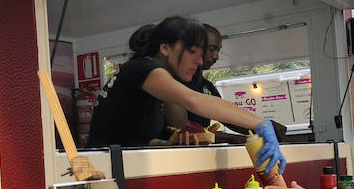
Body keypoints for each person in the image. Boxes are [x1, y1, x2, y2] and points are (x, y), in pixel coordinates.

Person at [87, 16, 286, 173]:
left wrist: (169, 143)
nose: (199, 61)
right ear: (165, 48)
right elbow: (195, 100)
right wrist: (260, 124)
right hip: (103, 171)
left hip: (121, 167)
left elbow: (131, 136)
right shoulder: (142, 68)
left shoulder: (149, 80)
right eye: (192, 52)